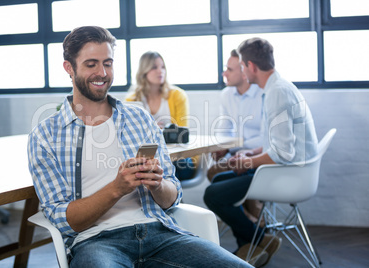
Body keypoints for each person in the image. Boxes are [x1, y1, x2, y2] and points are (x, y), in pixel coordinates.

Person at [28, 26, 251, 268]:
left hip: (160, 234)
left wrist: (157, 185)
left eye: (108, 63)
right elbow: (64, 221)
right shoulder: (45, 136)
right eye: (91, 64)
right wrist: (116, 188)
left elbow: (173, 197)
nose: (102, 72)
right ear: (69, 68)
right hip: (96, 242)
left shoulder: (140, 119)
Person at [204, 37, 318, 267]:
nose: (243, 71)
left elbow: (283, 153)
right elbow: (276, 143)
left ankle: (259, 240)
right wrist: (250, 154)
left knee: (213, 195)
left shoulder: (277, 93)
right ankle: (253, 246)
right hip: (283, 169)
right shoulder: (277, 87)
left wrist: (248, 162)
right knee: (220, 179)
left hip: (288, 174)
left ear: (251, 67)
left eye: (243, 66)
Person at [208, 49, 264, 226]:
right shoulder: (226, 94)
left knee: (223, 177)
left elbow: (267, 139)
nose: (224, 73)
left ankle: (253, 224)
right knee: (213, 171)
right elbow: (224, 129)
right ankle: (253, 218)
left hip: (260, 156)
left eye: (229, 69)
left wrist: (231, 148)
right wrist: (220, 146)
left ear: (244, 70)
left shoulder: (263, 95)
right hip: (237, 155)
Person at [126, 51, 196, 181]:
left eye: (162, 67)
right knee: (145, 169)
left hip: (180, 160)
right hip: (150, 159)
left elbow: (181, 133)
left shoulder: (177, 95)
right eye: (154, 67)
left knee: (167, 170)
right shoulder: (132, 100)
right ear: (144, 71)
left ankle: (171, 198)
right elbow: (133, 139)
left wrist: (153, 130)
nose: (160, 71)